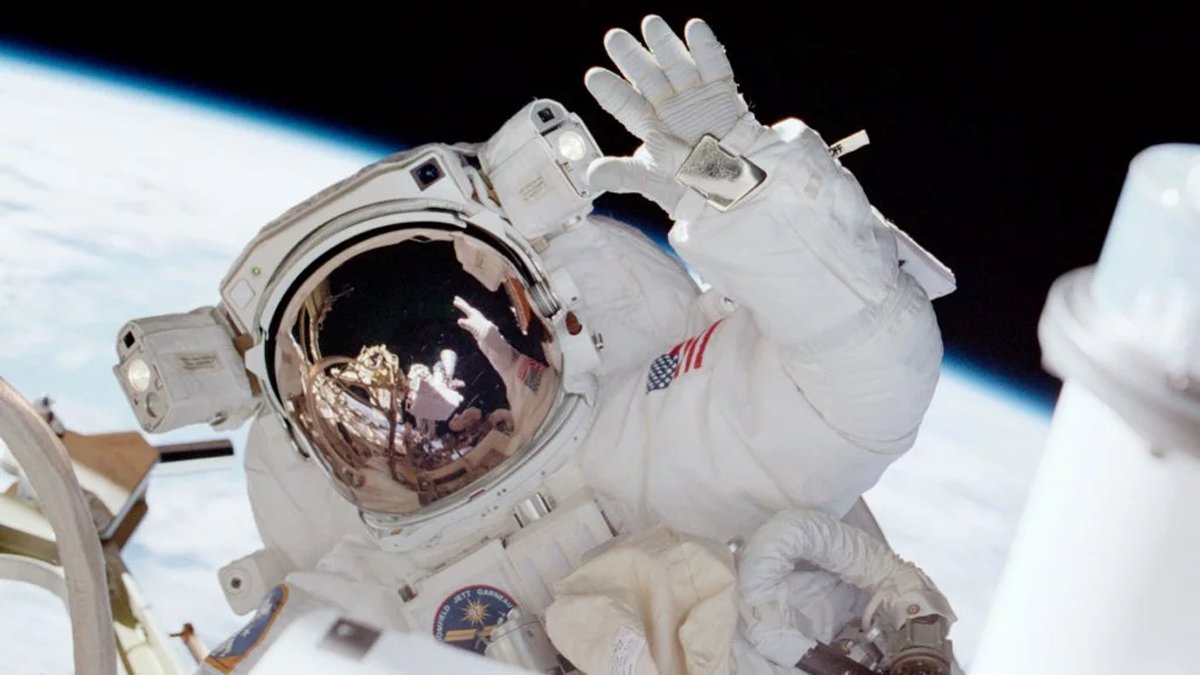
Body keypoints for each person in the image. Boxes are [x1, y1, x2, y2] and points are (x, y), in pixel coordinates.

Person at [148, 15, 955, 674]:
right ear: (312, 439)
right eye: (363, 404)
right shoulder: (367, 592)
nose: (436, 424)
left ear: (548, 309)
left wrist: (756, 194)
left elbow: (870, 375)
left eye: (453, 351)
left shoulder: (668, 439)